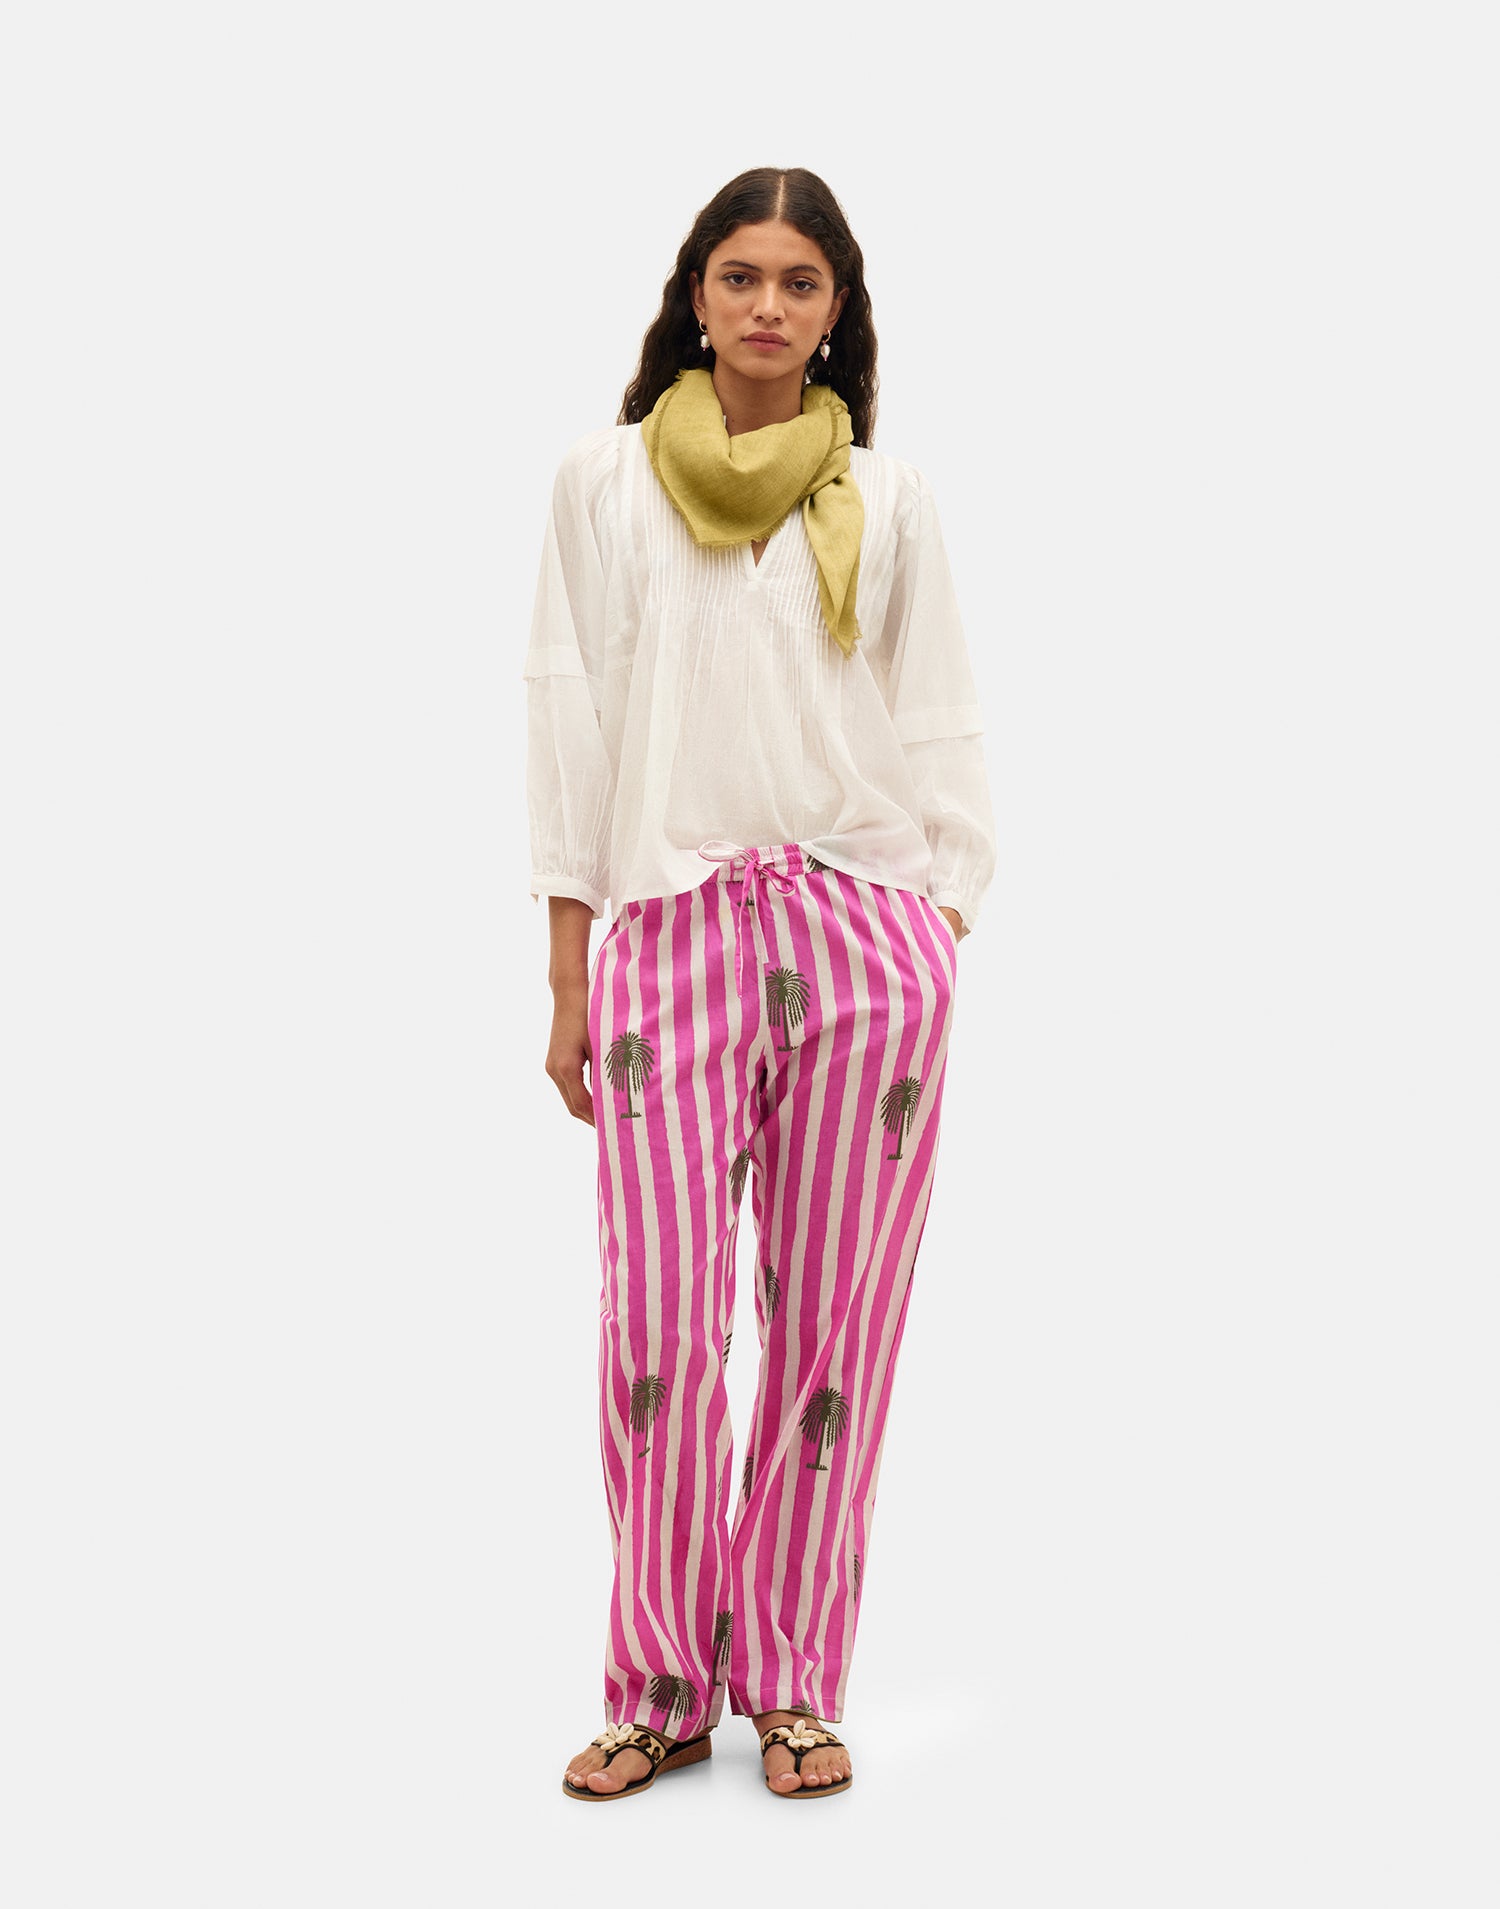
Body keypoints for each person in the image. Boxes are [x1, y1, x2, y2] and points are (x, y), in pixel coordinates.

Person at [523, 166, 997, 1801]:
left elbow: (937, 713)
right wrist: (571, 974)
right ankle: (660, 1686)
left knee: (831, 1329)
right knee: (658, 1323)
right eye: (743, 276)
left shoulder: (889, 497)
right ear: (697, 294)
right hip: (671, 933)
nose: (770, 307)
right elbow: (568, 717)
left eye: (802, 282)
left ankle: (792, 1679)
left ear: (838, 310)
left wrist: (935, 923)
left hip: (862, 944)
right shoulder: (604, 484)